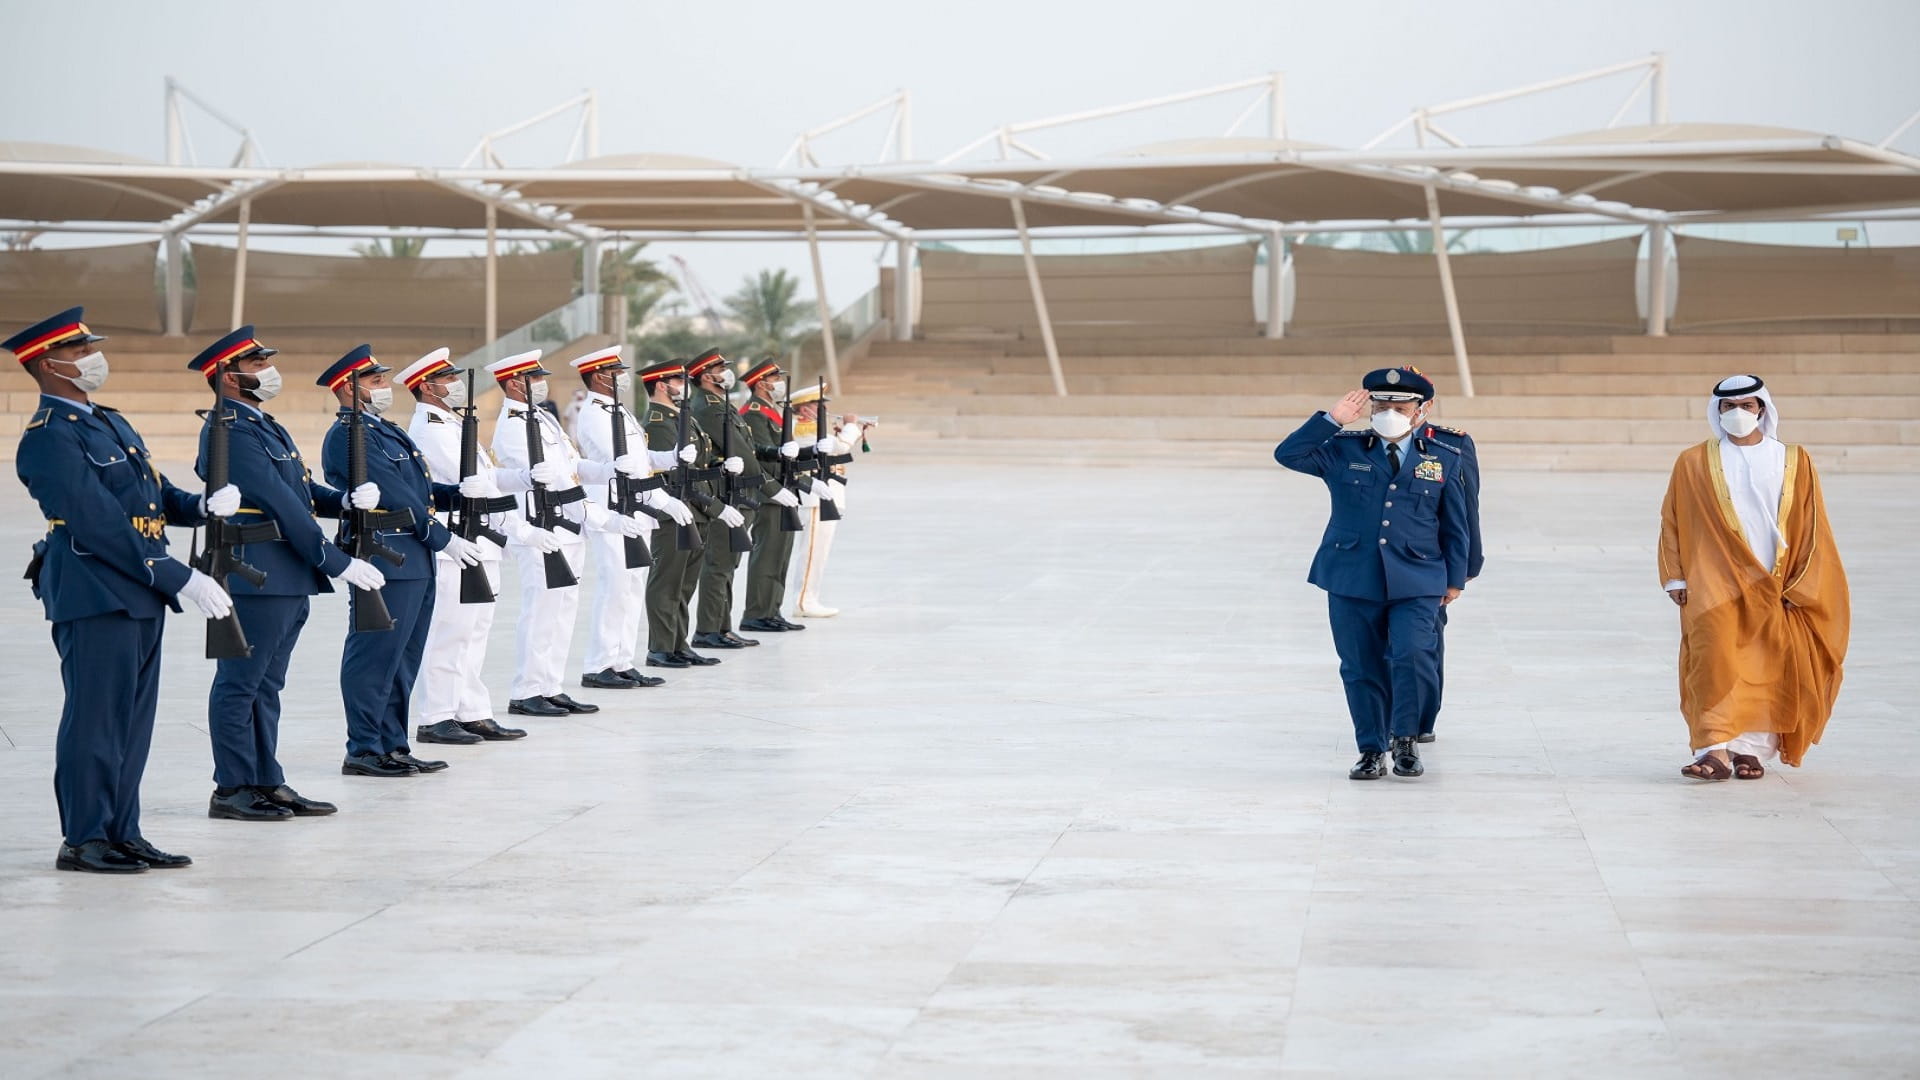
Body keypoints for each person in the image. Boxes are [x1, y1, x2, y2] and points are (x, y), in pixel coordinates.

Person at [10, 307, 233, 872]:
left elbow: (151, 496)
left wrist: (200, 507)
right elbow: (99, 523)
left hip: (136, 593)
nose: (93, 360)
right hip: (94, 590)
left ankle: (121, 831)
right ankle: (84, 838)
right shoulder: (47, 439)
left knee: (131, 722)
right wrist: (177, 575)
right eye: (81, 352)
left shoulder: (108, 421)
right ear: (49, 364)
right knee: (95, 720)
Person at [191, 326, 386, 820]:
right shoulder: (228, 430)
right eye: (256, 365)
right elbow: (280, 504)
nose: (266, 371)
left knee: (266, 686)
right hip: (257, 573)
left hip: (284, 574)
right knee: (241, 685)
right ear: (228, 377)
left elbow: (298, 491)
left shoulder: (260, 423)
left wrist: (340, 500)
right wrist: (335, 561)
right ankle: (232, 786)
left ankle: (266, 780)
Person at [1273, 367, 1469, 781]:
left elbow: (1456, 523)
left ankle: (1404, 740)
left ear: (1422, 408)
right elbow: (1287, 455)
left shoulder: (1444, 456)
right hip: (1351, 574)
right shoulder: (1343, 449)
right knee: (1360, 665)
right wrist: (1331, 420)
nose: (1390, 410)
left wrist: (1456, 577)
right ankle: (1370, 749)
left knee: (1412, 655)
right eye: (1381, 403)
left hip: (1418, 576)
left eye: (1400, 404)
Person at [1660, 375, 1849, 781]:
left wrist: (1801, 582)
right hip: (1712, 580)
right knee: (1712, 660)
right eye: (1729, 407)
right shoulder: (1693, 461)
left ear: (1762, 409)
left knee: (1766, 663)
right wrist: (1674, 576)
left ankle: (1749, 750)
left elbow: (1813, 524)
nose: (1738, 414)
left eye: (1747, 406)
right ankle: (1713, 749)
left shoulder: (1793, 459)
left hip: (1775, 579)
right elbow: (1672, 519)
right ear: (1718, 412)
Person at [318, 346, 483, 777]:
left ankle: (393, 744)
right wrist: (439, 535)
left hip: (414, 556)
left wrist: (452, 495)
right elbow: (391, 491)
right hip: (385, 552)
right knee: (375, 655)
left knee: (402, 658)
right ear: (348, 388)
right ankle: (364, 748)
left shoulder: (383, 430)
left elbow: (418, 490)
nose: (384, 387)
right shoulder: (348, 434)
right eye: (374, 382)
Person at [400, 348, 562, 745]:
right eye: (447, 378)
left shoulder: (454, 424)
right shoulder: (431, 428)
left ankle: (470, 711)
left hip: (481, 542)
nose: (455, 385)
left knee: (474, 632)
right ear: (427, 386)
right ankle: (436, 716)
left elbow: (487, 477)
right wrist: (522, 531)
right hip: (458, 542)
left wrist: (522, 478)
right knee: (451, 632)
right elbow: (476, 491)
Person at [489, 350, 645, 714]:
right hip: (543, 527)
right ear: (514, 382)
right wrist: (601, 517)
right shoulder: (513, 424)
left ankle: (550, 685)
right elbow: (553, 483)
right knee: (541, 610)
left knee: (562, 611)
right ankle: (527, 690)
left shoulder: (541, 419)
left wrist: (607, 470)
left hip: (568, 527)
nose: (541, 383)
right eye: (533, 378)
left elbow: (571, 467)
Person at [568, 345, 695, 688]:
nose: (622, 377)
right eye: (615, 372)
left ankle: (622, 660)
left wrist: (670, 457)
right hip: (614, 506)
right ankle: (600, 664)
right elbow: (622, 468)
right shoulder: (595, 413)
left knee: (632, 586)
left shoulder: (617, 409)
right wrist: (664, 499)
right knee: (616, 587)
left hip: (637, 505)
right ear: (598, 376)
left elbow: (639, 461)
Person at [689, 348, 796, 649]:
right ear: (707, 375)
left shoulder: (720, 404)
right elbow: (741, 451)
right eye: (721, 368)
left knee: (728, 564)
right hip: (727, 492)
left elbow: (746, 448)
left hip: (740, 492)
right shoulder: (707, 407)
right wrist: (770, 487)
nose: (727, 373)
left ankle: (722, 627)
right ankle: (709, 630)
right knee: (719, 564)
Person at [640, 360, 731, 668]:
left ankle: (679, 643)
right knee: (667, 582)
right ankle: (661, 648)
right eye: (677, 380)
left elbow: (698, 466)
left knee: (684, 584)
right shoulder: (657, 421)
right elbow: (677, 476)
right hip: (673, 513)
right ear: (661, 385)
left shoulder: (681, 417)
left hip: (695, 512)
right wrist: (715, 506)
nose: (683, 384)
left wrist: (720, 470)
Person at [1413, 368, 1483, 744]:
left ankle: (1422, 718)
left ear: (1425, 406)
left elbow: (1466, 507)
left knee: (1424, 645)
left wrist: (1465, 567)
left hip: (1429, 563)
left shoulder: (1450, 445)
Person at [735, 360, 809, 634]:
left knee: (780, 556)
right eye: (775, 378)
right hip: (769, 495)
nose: (779, 382)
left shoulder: (773, 411)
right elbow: (759, 456)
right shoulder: (754, 412)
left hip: (784, 492)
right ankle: (757, 613)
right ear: (761, 382)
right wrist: (776, 488)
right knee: (767, 555)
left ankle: (771, 610)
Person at [789, 382, 864, 618]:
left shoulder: (814, 428)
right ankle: (803, 601)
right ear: (803, 409)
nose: (822, 408)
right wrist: (851, 427)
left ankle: (810, 598)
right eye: (817, 404)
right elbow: (838, 446)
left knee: (819, 552)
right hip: (814, 498)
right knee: (812, 552)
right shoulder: (804, 429)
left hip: (826, 496)